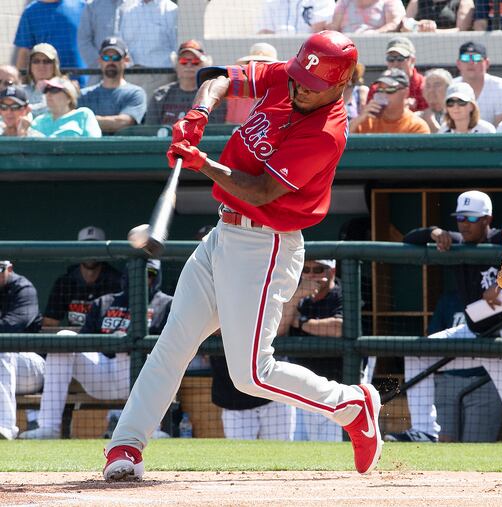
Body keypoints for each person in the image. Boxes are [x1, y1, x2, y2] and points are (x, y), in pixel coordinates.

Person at [101, 31, 383, 481]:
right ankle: (126, 447)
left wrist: (202, 163)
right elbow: (217, 79)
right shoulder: (288, 78)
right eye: (298, 78)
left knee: (252, 373)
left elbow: (262, 191)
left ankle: (351, 405)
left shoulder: (327, 131)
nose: (300, 87)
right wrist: (197, 112)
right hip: (223, 234)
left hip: (267, 244)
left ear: (340, 85)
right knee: (171, 345)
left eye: (313, 83)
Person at [386, 191, 502, 444]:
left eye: (471, 219)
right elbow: (410, 239)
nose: (464, 224)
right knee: (417, 353)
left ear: (487, 219)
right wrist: (434, 232)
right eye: (460, 218)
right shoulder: (456, 241)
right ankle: (425, 430)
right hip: (474, 332)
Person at [19, 260, 172, 440]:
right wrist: (112, 343)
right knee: (64, 337)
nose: (142, 278)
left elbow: (168, 349)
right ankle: (48, 428)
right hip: (100, 375)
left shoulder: (167, 304)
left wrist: (125, 342)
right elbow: (84, 343)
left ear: (156, 276)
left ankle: (149, 429)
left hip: (138, 376)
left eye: (149, 274)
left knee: (129, 346)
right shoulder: (105, 302)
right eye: (136, 273)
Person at [279, 259, 347, 441]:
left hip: (336, 387)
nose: (311, 275)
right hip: (300, 391)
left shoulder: (342, 294)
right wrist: (295, 297)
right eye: (306, 269)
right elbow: (279, 331)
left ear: (331, 271)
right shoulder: (296, 298)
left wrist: (302, 322)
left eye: (318, 269)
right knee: (297, 452)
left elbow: (338, 328)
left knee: (334, 449)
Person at [42, 226, 123, 329]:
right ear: (78, 249)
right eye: (85, 246)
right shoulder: (65, 282)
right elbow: (49, 324)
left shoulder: (117, 281)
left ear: (103, 251)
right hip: (75, 341)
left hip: (105, 339)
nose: (90, 252)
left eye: (95, 247)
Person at [0, 260, 44, 440]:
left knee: (2, 347)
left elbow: (11, 326)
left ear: (8, 269)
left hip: (31, 368)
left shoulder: (23, 289)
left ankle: (4, 426)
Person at [145, 40, 227, 126]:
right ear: (176, 65)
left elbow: (218, 129)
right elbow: (151, 130)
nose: (189, 65)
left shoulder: (213, 95)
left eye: (195, 62)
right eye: (183, 61)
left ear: (204, 65)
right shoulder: (160, 95)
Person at [79, 37, 147, 134]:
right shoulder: (84, 95)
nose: (111, 62)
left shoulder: (135, 93)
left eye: (116, 57)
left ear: (126, 60)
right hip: (91, 148)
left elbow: (123, 123)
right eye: (106, 57)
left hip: (124, 148)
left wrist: (87, 120)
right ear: (100, 60)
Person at [13, 0, 85, 80]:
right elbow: (24, 51)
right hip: (46, 86)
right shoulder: (30, 12)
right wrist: (21, 83)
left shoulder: (82, 6)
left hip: (83, 80)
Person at [453, 41, 502, 125]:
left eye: (477, 58)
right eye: (465, 58)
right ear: (458, 63)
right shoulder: (450, 87)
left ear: (486, 63)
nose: (471, 62)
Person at [350, 68, 431, 134]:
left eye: (390, 89)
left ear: (406, 92)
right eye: (380, 90)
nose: (384, 94)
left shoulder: (416, 126)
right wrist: (360, 117)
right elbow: (341, 143)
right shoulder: (367, 121)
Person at [367, 37, 428, 112]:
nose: (395, 64)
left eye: (400, 59)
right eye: (391, 59)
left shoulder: (425, 86)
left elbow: (430, 115)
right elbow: (370, 118)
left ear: (412, 60)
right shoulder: (376, 88)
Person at [225, 43, 279, 125]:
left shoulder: (280, 89)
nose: (259, 66)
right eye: (256, 62)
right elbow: (230, 122)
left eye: (264, 63)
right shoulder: (236, 87)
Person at [30, 77, 102, 138]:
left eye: (54, 90)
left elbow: (94, 144)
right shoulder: (38, 121)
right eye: (46, 90)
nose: (48, 94)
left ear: (69, 97)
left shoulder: (84, 114)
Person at [77, 0, 125, 73]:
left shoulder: (135, 5)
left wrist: (125, 63)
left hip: (130, 70)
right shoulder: (92, 6)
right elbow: (83, 40)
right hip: (98, 70)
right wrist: (102, 63)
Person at [22, 43, 64, 117]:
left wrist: (39, 91)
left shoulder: (63, 89)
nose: (41, 65)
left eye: (47, 61)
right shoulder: (22, 91)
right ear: (30, 66)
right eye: (36, 61)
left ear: (55, 65)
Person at [258, 0, 336, 33]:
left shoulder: (322, 1)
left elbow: (321, 31)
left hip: (311, 56)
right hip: (278, 57)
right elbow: (264, 33)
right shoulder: (270, 2)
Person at [329, 0, 406, 32]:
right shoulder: (344, 1)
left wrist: (372, 35)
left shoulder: (390, 1)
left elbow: (394, 24)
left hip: (377, 45)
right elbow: (334, 27)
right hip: (345, 46)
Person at [417, 68, 453, 132]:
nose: (431, 90)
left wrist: (433, 127)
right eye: (428, 86)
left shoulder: (457, 116)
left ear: (449, 89)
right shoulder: (416, 119)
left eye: (437, 85)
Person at [402, 0, 474, 31]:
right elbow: (404, 27)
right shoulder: (416, 1)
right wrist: (419, 26)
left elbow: (461, 31)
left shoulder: (464, 1)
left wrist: (434, 32)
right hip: (418, 44)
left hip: (451, 45)